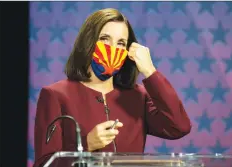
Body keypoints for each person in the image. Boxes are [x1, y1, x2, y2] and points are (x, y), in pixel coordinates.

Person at [34, 8, 192, 167]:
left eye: (121, 43)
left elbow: (179, 127)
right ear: (88, 41)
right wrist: (86, 145)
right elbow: (44, 164)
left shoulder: (138, 96)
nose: (113, 48)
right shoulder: (55, 95)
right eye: (104, 38)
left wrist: (150, 71)